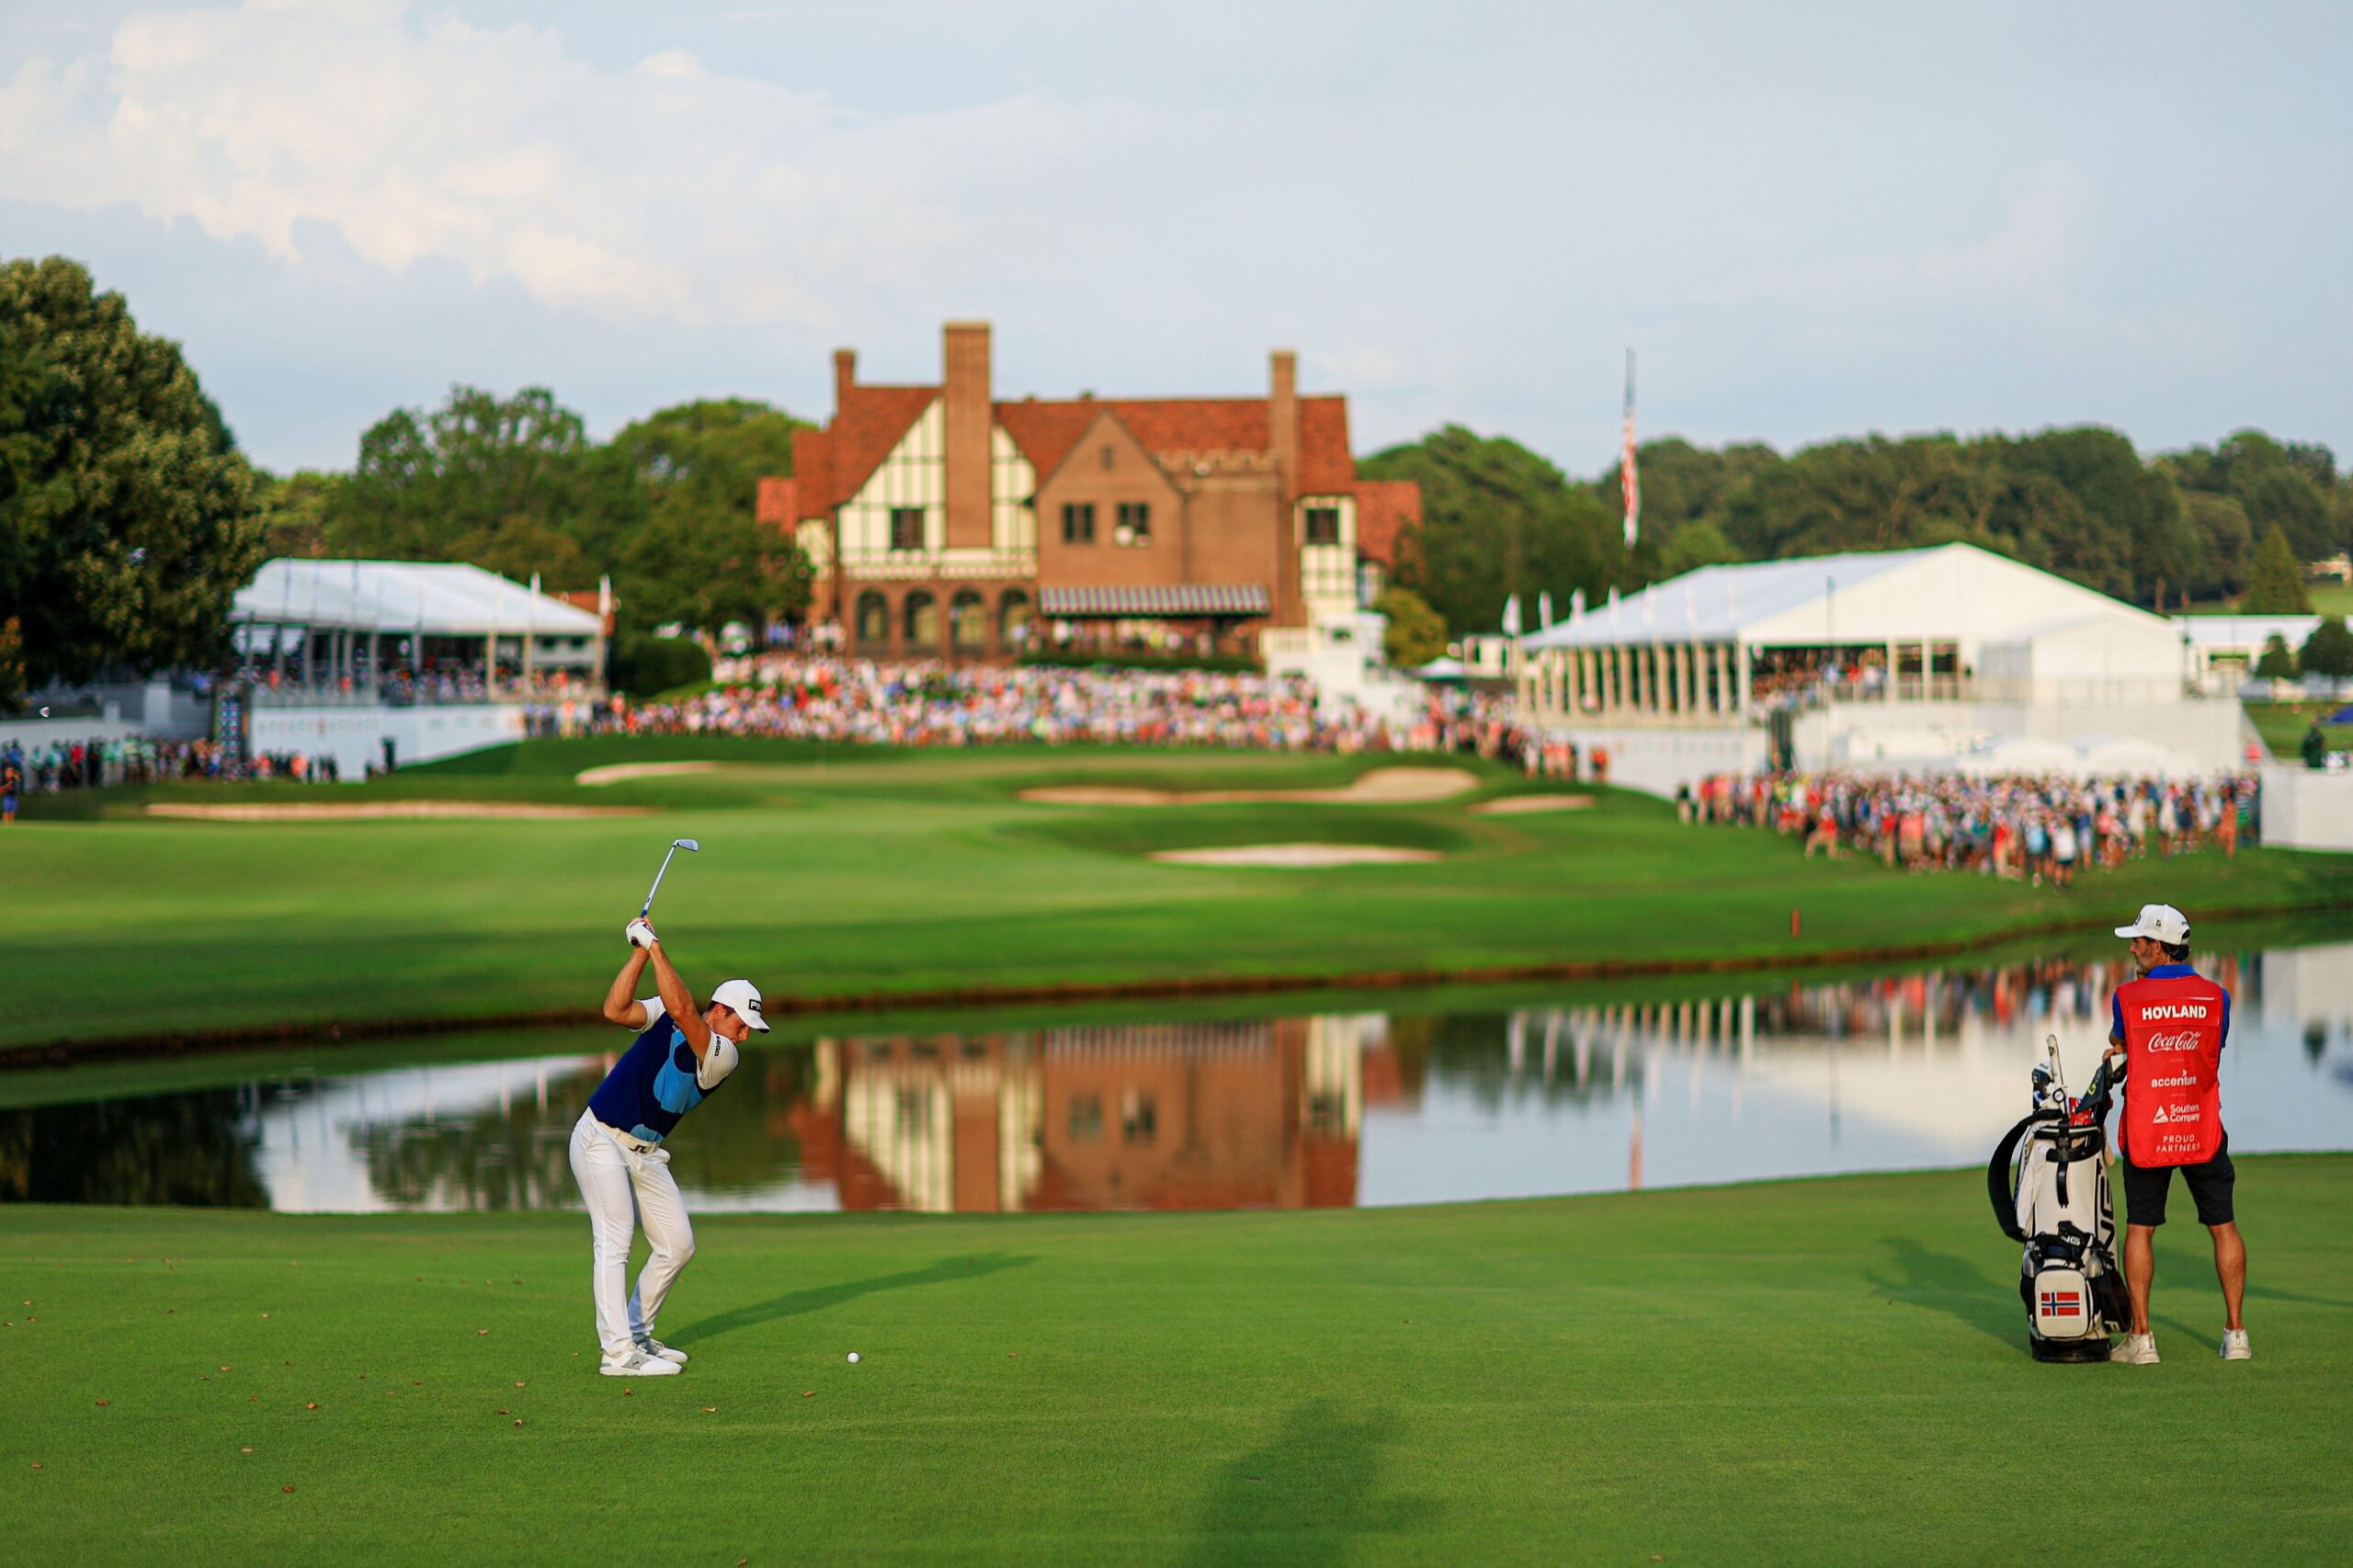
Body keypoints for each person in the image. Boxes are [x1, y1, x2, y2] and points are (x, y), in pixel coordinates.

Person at [569, 916, 768, 1377]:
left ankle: (637, 1332)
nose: (745, 1036)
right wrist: (639, 952)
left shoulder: (723, 1056)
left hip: (645, 1153)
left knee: (677, 1245)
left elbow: (682, 1011)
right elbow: (616, 1010)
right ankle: (618, 1354)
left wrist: (655, 945)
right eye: (743, 1024)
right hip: (599, 1137)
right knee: (615, 1237)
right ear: (720, 1009)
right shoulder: (664, 1012)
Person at [2102, 903, 2248, 1365]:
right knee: (2222, 1225)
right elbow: (2211, 1048)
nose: (2133, 948)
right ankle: (2236, 1335)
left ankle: (2142, 1340)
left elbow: (2120, 1047)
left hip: (2149, 1127)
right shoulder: (2217, 995)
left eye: (2140, 942)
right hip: (2200, 1125)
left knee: (2140, 1230)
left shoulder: (2126, 996)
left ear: (2161, 947)